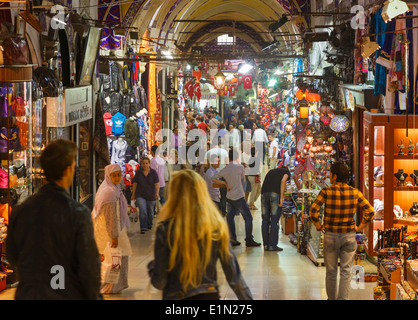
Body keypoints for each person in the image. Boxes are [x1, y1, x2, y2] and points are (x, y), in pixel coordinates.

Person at [6, 140, 101, 299]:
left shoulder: (21, 211)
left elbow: (12, 256)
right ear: (67, 170)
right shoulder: (77, 213)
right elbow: (89, 268)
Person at [147, 169, 253, 300]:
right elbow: (235, 277)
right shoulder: (215, 226)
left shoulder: (165, 229)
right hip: (209, 294)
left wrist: (152, 266)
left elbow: (160, 282)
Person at [309, 162, 375, 300]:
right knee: (346, 271)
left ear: (334, 176)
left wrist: (318, 225)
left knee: (331, 272)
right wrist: (360, 227)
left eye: (330, 174)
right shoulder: (355, 192)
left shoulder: (326, 191)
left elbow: (313, 211)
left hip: (330, 236)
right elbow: (370, 211)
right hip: (349, 236)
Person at [92, 164, 132, 294]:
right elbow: (110, 217)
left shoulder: (113, 188)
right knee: (114, 258)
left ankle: (113, 286)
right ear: (108, 176)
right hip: (109, 232)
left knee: (115, 258)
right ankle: (110, 287)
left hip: (110, 230)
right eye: (113, 175)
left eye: (119, 174)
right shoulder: (109, 192)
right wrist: (114, 235)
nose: (117, 177)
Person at [212, 148, 261, 247]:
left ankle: (232, 239)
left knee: (230, 218)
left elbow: (213, 178)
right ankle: (248, 239)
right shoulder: (240, 168)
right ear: (236, 156)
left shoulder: (224, 170)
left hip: (229, 197)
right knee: (248, 217)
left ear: (228, 157)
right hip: (238, 196)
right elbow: (243, 180)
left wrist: (224, 184)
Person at [260, 165, 290, 251]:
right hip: (275, 195)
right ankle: (272, 245)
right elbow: (283, 181)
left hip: (264, 194)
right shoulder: (286, 172)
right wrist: (281, 197)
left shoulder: (271, 171)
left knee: (265, 220)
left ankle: (265, 245)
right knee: (274, 220)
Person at [131, 157, 160, 233]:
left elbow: (157, 184)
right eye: (143, 163)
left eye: (146, 163)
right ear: (141, 164)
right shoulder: (138, 172)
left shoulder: (153, 172)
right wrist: (133, 194)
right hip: (140, 194)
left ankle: (149, 223)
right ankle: (143, 227)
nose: (145, 165)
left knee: (150, 212)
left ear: (149, 164)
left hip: (151, 195)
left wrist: (157, 193)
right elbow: (135, 183)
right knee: (143, 210)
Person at [150, 145, 166, 209]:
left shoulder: (152, 161)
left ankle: (154, 211)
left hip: (156, 182)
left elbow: (153, 172)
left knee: (154, 197)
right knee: (161, 197)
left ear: (152, 152)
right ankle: (166, 210)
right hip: (162, 181)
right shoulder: (161, 160)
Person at [248, 146, 262, 210]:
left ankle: (252, 201)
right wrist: (258, 174)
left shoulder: (251, 159)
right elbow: (255, 169)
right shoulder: (254, 159)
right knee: (254, 191)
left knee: (259, 189)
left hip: (251, 176)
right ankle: (251, 204)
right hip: (254, 177)